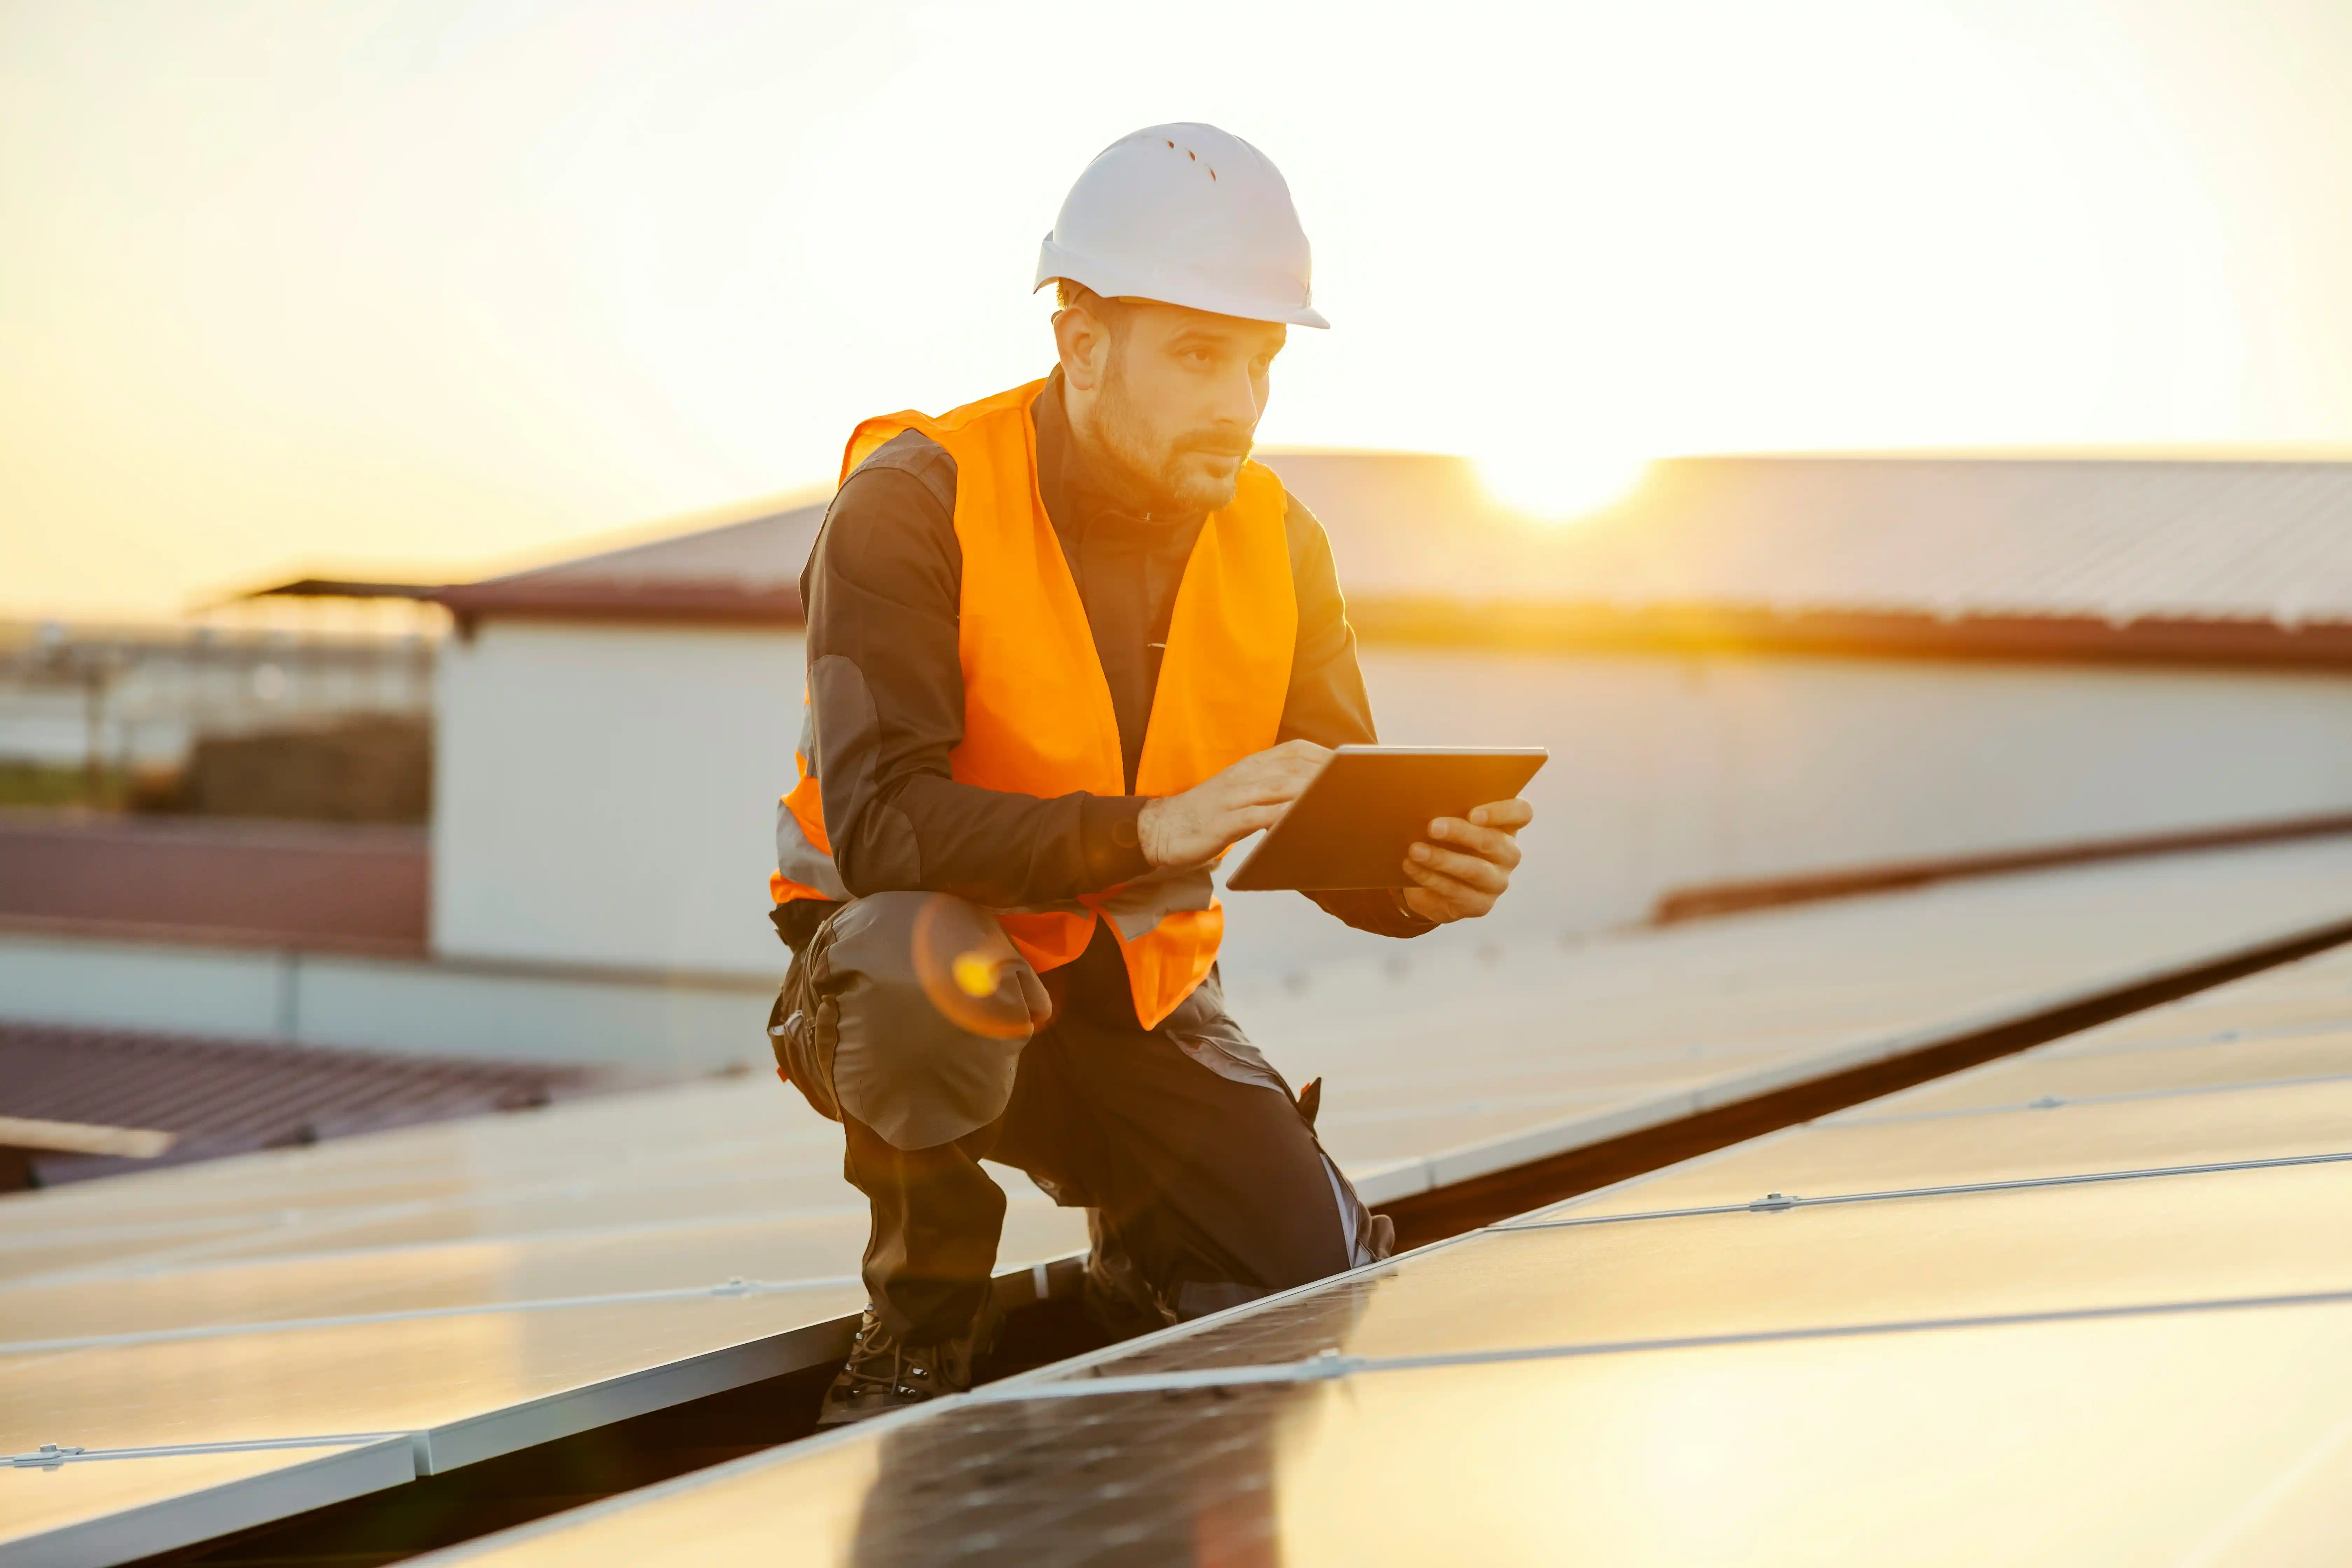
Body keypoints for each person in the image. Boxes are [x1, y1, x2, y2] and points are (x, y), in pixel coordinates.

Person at [765, 123, 1533, 1426]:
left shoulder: (1280, 539)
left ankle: (1144, 1252)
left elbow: (1322, 804)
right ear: (1081, 344)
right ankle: (918, 1325)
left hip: (1135, 998)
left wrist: (1418, 879)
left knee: (1306, 1278)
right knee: (914, 977)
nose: (1240, 401)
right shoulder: (913, 505)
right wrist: (1154, 824)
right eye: (1198, 357)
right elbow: (884, 826)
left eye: (1261, 362)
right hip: (907, 984)